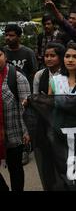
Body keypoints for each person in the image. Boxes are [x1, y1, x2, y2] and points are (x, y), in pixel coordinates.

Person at [0, 47, 31, 191]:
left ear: (5, 56)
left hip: (14, 132)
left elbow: (26, 107)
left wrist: (27, 131)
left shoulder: (17, 77)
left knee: (15, 169)